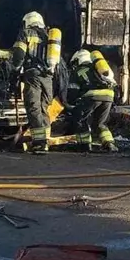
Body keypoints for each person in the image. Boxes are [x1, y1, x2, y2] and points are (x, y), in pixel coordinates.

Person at [9, 11, 62, 154]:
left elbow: (19, 55)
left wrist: (14, 71)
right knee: (44, 108)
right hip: (48, 77)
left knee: (34, 108)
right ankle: (45, 141)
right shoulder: (48, 36)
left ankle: (40, 142)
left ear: (27, 22)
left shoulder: (26, 33)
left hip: (33, 75)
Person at [69, 49, 118, 153]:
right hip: (109, 96)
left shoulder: (78, 71)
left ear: (78, 60)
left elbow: (73, 90)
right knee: (100, 123)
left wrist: (71, 104)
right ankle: (109, 143)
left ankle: (84, 145)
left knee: (81, 120)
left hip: (92, 96)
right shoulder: (98, 68)